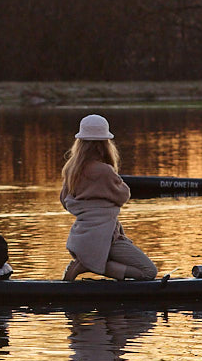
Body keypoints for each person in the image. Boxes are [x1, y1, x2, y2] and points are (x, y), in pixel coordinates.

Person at [60, 115, 158, 281]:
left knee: (140, 269)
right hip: (104, 238)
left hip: (81, 237)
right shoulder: (104, 171)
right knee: (149, 272)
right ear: (104, 144)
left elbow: (64, 200)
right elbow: (123, 195)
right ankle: (85, 265)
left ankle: (87, 262)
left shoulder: (71, 169)